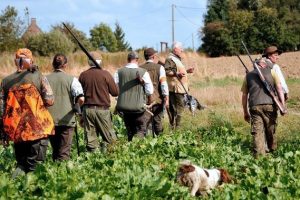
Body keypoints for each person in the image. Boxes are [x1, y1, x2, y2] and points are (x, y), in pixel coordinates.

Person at [0, 48, 54, 176]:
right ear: (31, 61)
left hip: (16, 128)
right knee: (34, 164)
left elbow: (1, 109)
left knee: (21, 162)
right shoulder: (39, 76)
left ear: (15, 61)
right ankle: (32, 187)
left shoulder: (6, 81)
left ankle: (16, 185)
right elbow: (50, 100)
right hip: (37, 128)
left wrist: (3, 131)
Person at [241, 57, 286, 157]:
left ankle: (259, 156)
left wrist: (245, 111)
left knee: (257, 132)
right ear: (264, 64)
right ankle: (272, 150)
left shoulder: (248, 76)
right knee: (271, 129)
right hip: (270, 105)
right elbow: (279, 88)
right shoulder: (272, 72)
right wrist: (282, 104)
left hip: (254, 106)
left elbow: (244, 96)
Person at [47, 54, 84, 161]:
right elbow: (81, 99)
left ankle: (54, 173)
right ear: (66, 65)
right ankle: (63, 175)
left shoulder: (44, 79)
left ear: (53, 64)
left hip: (50, 120)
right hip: (67, 120)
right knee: (64, 152)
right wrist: (77, 107)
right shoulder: (72, 80)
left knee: (55, 150)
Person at [79, 52, 118, 152]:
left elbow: (79, 95)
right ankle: (108, 158)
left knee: (91, 140)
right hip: (102, 111)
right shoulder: (105, 74)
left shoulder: (83, 75)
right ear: (100, 62)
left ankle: (93, 160)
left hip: (88, 111)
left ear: (89, 62)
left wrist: (80, 114)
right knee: (110, 139)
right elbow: (115, 92)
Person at [114, 51, 154, 141]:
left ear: (128, 59)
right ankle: (137, 147)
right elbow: (149, 91)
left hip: (123, 108)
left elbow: (114, 90)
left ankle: (130, 146)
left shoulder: (118, 72)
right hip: (138, 108)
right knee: (141, 130)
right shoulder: (143, 72)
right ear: (137, 60)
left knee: (130, 131)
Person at [164, 41, 194, 128]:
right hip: (176, 88)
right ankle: (176, 126)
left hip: (179, 87)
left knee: (178, 107)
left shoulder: (176, 59)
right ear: (176, 49)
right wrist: (177, 74)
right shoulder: (170, 59)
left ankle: (175, 126)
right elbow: (167, 71)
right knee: (177, 107)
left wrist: (187, 71)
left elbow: (177, 71)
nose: (182, 50)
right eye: (181, 49)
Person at [140, 48, 169, 136]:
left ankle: (142, 144)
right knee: (157, 121)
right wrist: (166, 97)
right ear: (153, 56)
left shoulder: (139, 68)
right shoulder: (160, 68)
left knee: (144, 122)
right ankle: (160, 142)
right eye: (156, 55)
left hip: (143, 100)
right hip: (157, 100)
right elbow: (163, 84)